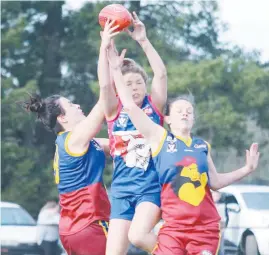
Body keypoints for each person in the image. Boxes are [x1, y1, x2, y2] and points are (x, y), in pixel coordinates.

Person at [107, 45, 260, 255]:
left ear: (194, 118)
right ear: (167, 118)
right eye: (179, 110)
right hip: (174, 229)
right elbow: (132, 106)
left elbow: (215, 182)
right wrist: (115, 70)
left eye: (189, 111)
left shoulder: (202, 146)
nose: (185, 113)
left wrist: (247, 169)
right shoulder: (159, 138)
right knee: (135, 237)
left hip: (205, 228)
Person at [98, 14, 167, 255]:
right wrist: (105, 48)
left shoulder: (153, 106)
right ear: (120, 90)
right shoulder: (114, 110)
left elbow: (161, 75)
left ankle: (175, 250)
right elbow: (105, 85)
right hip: (121, 190)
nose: (135, 87)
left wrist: (143, 40)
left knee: (138, 237)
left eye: (138, 82)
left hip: (149, 188)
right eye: (128, 84)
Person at [23, 92, 110, 255]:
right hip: (89, 222)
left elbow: (116, 145)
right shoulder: (72, 140)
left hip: (75, 227)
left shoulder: (79, 142)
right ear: (62, 118)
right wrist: (115, 78)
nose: (77, 106)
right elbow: (102, 106)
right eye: (71, 104)